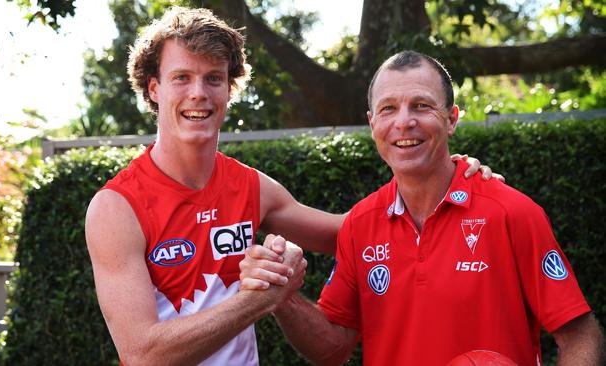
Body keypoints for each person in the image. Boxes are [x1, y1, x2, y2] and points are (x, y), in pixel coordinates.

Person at [84, 7, 493, 365]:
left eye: (213, 78)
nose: (198, 93)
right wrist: (257, 298)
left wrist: (440, 176)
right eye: (181, 78)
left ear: (229, 88)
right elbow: (143, 354)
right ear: (154, 88)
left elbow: (357, 232)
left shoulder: (250, 187)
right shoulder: (117, 207)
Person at [240, 51, 606, 365]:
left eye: (422, 105)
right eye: (388, 109)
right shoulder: (360, 225)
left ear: (452, 119)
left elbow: (580, 334)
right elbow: (333, 347)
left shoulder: (511, 212)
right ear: (372, 125)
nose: (404, 122)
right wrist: (282, 295)